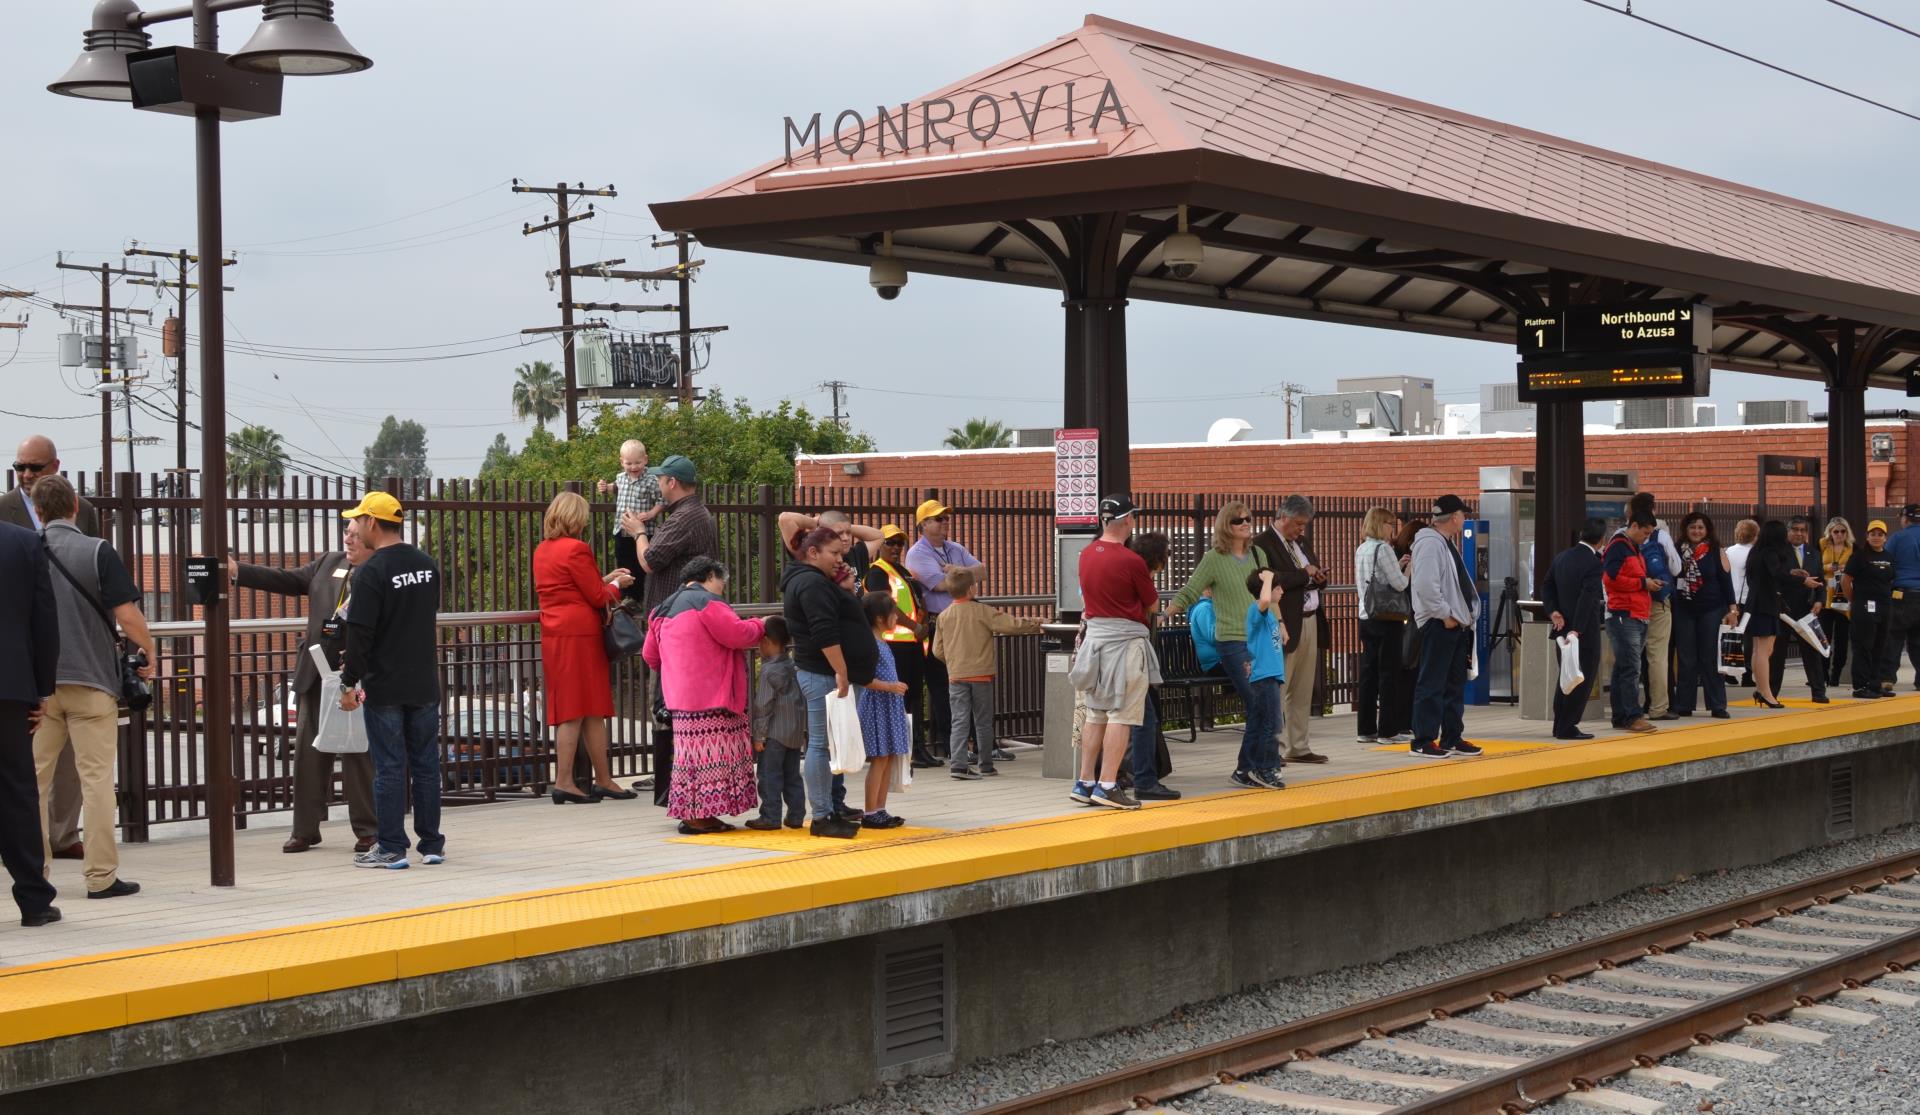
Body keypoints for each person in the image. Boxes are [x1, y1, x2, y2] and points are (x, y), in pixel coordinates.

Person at [30, 475, 152, 899]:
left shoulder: (26, 550)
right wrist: (149, 652)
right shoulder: (98, 551)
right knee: (96, 781)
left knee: (35, 782)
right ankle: (101, 877)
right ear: (75, 509)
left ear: (38, 511)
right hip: (92, 682)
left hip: (39, 689)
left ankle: (36, 877)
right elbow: (129, 617)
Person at [228, 519, 380, 852]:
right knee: (308, 756)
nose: (349, 539)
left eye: (356, 535)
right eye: (347, 533)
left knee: (358, 755)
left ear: (372, 538)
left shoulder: (381, 570)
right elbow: (286, 579)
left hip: (357, 675)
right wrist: (238, 569)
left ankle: (368, 830)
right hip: (316, 674)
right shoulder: (328, 563)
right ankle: (305, 830)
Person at [337, 491, 445, 870]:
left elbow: (360, 635)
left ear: (371, 523)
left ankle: (391, 847)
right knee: (426, 765)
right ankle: (431, 844)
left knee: (389, 767)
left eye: (357, 521)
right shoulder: (427, 564)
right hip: (424, 683)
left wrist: (349, 684)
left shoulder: (370, 573)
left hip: (385, 685)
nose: (353, 530)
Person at [3, 435, 94, 864]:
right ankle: (25, 843)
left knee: (71, 758)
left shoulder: (85, 512)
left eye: (34, 468)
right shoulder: (3, 510)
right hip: (22, 653)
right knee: (29, 758)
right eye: (20, 467)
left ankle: (63, 834)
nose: (25, 475)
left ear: (54, 466)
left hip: (73, 648)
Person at [640, 557, 765, 835]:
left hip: (679, 699)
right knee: (713, 758)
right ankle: (697, 817)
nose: (722, 588)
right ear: (710, 576)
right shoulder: (708, 602)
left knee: (692, 758)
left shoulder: (662, 608)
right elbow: (738, 635)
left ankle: (701, 814)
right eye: (722, 581)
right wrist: (761, 623)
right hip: (712, 696)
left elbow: (650, 656)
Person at [533, 491, 637, 805]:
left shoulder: (543, 549)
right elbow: (597, 597)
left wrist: (606, 578)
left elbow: (570, 586)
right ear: (575, 519)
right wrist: (618, 585)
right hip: (581, 635)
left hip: (556, 634)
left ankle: (601, 780)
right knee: (581, 710)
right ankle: (569, 781)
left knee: (585, 708)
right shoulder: (577, 548)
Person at [783, 526, 883, 838]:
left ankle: (827, 810)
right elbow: (824, 631)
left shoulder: (816, 580)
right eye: (835, 553)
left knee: (823, 744)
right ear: (813, 553)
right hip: (821, 672)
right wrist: (841, 670)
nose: (840, 560)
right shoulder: (810, 584)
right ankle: (823, 815)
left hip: (824, 671)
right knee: (819, 745)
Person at [633, 454, 717, 802]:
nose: (657, 485)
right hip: (689, 620)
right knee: (680, 703)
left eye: (660, 480)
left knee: (666, 703)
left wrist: (638, 533)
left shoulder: (683, 518)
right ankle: (675, 781)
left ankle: (668, 785)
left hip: (672, 622)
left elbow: (650, 561)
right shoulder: (699, 514)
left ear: (672, 482)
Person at [1066, 495, 1157, 810]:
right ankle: (1107, 785)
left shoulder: (1086, 554)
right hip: (1125, 642)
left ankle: (1085, 781)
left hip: (1096, 642)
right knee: (1122, 715)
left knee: (1096, 712)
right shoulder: (1132, 560)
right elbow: (1152, 603)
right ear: (1129, 519)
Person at [1167, 502, 1270, 760]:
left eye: (1248, 518)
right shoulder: (1213, 559)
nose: (1246, 523)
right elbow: (1191, 591)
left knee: (1266, 703)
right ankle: (1249, 766)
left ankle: (1261, 763)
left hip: (1261, 639)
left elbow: (1270, 595)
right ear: (1226, 526)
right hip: (1233, 643)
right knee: (1257, 702)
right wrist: (1163, 615)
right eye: (1238, 520)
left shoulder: (1258, 554)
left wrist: (1279, 625)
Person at [0, 518, 61, 928]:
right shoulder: (23, 542)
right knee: (17, 791)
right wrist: (41, 690)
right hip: (9, 685)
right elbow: (45, 623)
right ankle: (34, 900)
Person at [929, 566, 1040, 779]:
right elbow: (1011, 625)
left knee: (959, 720)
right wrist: (1036, 624)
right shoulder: (982, 611)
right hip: (981, 675)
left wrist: (953, 662)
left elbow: (937, 650)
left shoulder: (943, 616)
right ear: (972, 589)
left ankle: (958, 765)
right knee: (983, 720)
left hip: (956, 676)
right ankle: (986, 764)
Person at [904, 499, 985, 768]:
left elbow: (982, 571)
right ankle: (953, 746)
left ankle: (971, 744)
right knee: (943, 683)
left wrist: (955, 571)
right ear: (923, 525)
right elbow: (940, 586)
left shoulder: (955, 548)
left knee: (968, 679)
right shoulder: (917, 553)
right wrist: (962, 574)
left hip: (963, 622)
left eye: (946, 518)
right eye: (938, 518)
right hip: (940, 624)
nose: (945, 522)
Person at [1252, 495, 1331, 764]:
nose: (1301, 530)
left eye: (1304, 525)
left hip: (1309, 618)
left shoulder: (1302, 543)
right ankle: (1272, 747)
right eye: (1298, 524)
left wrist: (1318, 577)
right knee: (1277, 687)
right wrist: (1305, 575)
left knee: (1302, 688)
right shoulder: (1262, 544)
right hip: (1283, 622)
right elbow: (1267, 577)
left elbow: (1309, 572)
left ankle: (1298, 746)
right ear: (1283, 517)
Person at [1408, 495, 1483, 758]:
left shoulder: (1445, 542)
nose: (1465, 519)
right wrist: (1445, 615)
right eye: (1463, 515)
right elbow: (1426, 586)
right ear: (1454, 517)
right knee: (1432, 683)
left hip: (1454, 624)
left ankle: (1452, 736)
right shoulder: (1430, 544)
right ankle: (1423, 740)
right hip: (1439, 624)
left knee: (1453, 683)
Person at [863, 524, 938, 770]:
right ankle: (903, 749)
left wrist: (923, 623)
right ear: (880, 545)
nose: (896, 547)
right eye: (890, 542)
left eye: (900, 543)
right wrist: (914, 626)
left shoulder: (904, 572)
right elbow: (885, 605)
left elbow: (919, 601)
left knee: (915, 696)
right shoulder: (877, 571)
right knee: (900, 697)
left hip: (912, 644)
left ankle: (917, 748)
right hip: (893, 644)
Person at [1126, 531, 1180, 801]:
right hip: (1134, 653)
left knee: (1114, 718)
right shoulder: (1139, 574)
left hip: (1114, 651)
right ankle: (1145, 778)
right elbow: (1153, 605)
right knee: (1144, 718)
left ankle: (1108, 775)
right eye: (1167, 554)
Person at [1669, 512, 1738, 720]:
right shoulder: (1676, 551)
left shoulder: (1717, 551)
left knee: (1710, 657)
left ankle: (1717, 705)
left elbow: (1726, 581)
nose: (1696, 531)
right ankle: (1684, 704)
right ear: (1685, 530)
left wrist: (1733, 610)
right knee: (1686, 658)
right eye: (1692, 527)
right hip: (1683, 610)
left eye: (1700, 527)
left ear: (1707, 530)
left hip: (1711, 609)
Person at [1543, 518, 1608, 739]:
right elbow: (1587, 598)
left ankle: (1560, 723)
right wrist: (1577, 630)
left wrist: (1553, 611)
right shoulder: (1593, 563)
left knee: (1566, 675)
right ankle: (1568, 725)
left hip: (1561, 626)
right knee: (1582, 676)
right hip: (1582, 631)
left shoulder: (1562, 557)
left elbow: (1547, 585)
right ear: (1601, 540)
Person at [854, 592, 913, 827]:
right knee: (879, 758)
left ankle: (880, 808)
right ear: (880, 618)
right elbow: (864, 679)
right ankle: (870, 811)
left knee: (887, 757)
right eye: (893, 614)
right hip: (878, 703)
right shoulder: (871, 645)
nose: (896, 619)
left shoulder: (880, 642)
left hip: (887, 703)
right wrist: (890, 686)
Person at [1353, 507, 1411, 745]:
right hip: (1387, 618)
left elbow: (1375, 577)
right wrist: (1408, 568)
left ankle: (1365, 729)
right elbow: (1399, 584)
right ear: (1381, 524)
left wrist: (1396, 564)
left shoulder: (1362, 548)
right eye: (1390, 524)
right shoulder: (1383, 548)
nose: (1392, 529)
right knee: (1389, 673)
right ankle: (1388, 730)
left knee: (1369, 673)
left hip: (1367, 615)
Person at [1602, 512, 1660, 733]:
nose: (1647, 538)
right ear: (1634, 525)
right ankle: (1633, 716)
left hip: (1635, 613)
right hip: (1623, 614)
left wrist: (1645, 583)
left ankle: (1621, 716)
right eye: (1645, 533)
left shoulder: (1632, 547)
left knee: (1622, 668)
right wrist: (1642, 584)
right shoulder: (1619, 547)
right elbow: (1610, 578)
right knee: (1631, 668)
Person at [747, 617, 807, 831]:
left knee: (769, 775)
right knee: (792, 776)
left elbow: (763, 705)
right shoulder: (794, 666)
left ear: (767, 641)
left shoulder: (768, 671)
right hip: (794, 732)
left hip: (773, 734)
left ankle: (770, 816)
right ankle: (796, 815)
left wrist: (758, 736)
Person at [1628, 493, 1679, 722]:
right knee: (1658, 655)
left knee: (1630, 658)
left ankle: (1628, 707)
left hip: (1629, 603)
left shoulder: (1620, 536)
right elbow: (1676, 568)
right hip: (1658, 601)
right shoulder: (1661, 535)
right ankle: (1658, 707)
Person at [1238, 568, 1287, 789]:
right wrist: (1268, 578)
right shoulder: (1254, 611)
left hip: (1270, 675)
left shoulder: (1267, 615)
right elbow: (1266, 599)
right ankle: (1264, 767)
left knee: (1258, 724)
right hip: (1264, 676)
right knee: (1272, 723)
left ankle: (1243, 769)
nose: (1281, 591)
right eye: (1277, 587)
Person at [1772, 516, 1829, 703]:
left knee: (1812, 651)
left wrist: (1820, 600)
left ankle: (1818, 692)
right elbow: (1777, 577)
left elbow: (1820, 579)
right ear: (1788, 531)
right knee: (1777, 653)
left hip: (1807, 609)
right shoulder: (1778, 552)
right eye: (1795, 529)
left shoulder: (1813, 553)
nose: (1799, 533)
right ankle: (1771, 694)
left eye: (1802, 530)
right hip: (1783, 609)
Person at [598, 440, 661, 605]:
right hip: (621, 528)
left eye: (637, 462)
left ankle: (641, 597)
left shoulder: (651, 480)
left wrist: (651, 513)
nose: (633, 467)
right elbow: (617, 488)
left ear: (645, 460)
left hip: (643, 531)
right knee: (623, 561)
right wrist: (606, 487)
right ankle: (627, 596)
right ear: (622, 462)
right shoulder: (621, 477)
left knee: (640, 563)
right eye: (629, 463)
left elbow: (662, 500)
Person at [1382, 516, 1428, 740]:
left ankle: (1405, 721)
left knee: (1407, 670)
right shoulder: (1402, 558)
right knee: (1408, 669)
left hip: (1405, 619)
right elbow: (1404, 587)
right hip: (1408, 619)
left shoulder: (1397, 554)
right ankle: (1404, 721)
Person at [1743, 519, 1795, 710]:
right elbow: (1778, 575)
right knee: (1764, 650)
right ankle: (1766, 692)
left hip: (1756, 603)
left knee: (1760, 649)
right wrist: (1800, 580)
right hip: (1766, 604)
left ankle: (1761, 688)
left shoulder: (1756, 552)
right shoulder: (1771, 553)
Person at [1844, 520, 1894, 699]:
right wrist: (1854, 601)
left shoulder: (1889, 557)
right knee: (1863, 645)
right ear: (1867, 536)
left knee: (1880, 645)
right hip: (1864, 606)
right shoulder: (1859, 556)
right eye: (1873, 534)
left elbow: (1890, 581)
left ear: (1885, 538)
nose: (1876, 537)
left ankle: (1875, 684)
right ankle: (1860, 686)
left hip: (1884, 607)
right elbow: (1846, 580)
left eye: (1880, 534)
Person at [1877, 503, 1920, 693]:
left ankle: (1887, 678)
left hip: (1902, 595)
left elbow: (1886, 563)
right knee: (1918, 641)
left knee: (1893, 637)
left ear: (1905, 519)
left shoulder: (1898, 538)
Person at [784, 509, 883, 589]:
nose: (846, 538)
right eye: (839, 534)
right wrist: (814, 524)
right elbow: (785, 518)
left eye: (848, 533)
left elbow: (879, 536)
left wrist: (843, 526)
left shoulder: (855, 553)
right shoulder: (812, 555)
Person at [1819, 518, 1854, 688]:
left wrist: (1845, 568)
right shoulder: (1823, 545)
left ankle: (1836, 675)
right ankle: (1824, 673)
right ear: (1830, 533)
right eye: (1836, 531)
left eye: (1843, 531)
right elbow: (1816, 565)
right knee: (1824, 638)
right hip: (1827, 598)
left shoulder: (1852, 548)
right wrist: (1828, 568)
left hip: (1844, 598)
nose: (1839, 535)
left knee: (1841, 641)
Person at [1725, 518, 1760, 687]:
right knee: (1748, 638)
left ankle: (1727, 671)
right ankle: (1747, 673)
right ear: (1755, 535)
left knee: (1730, 636)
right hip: (1747, 599)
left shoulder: (1728, 551)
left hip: (1730, 599)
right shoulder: (1755, 553)